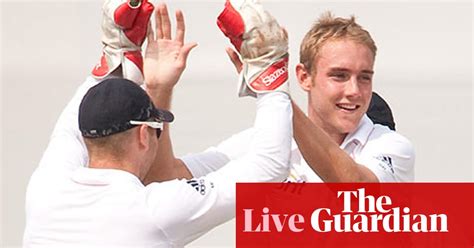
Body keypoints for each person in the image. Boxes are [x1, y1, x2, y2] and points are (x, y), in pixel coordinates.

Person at [23, 2, 292, 247]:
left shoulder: (46, 187)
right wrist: (268, 68)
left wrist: (118, 52)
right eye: (156, 129)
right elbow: (269, 167)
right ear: (143, 134)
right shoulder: (154, 210)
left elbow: (70, 128)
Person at [180, 11, 415, 183]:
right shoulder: (265, 140)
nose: (355, 90)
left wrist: (274, 89)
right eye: (339, 76)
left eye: (364, 77)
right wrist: (158, 89)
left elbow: (357, 189)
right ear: (304, 77)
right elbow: (167, 178)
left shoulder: (391, 146)